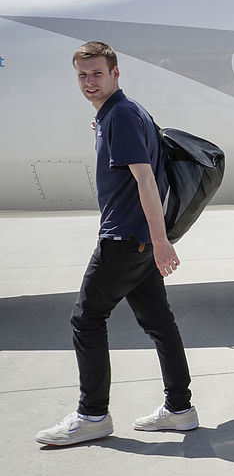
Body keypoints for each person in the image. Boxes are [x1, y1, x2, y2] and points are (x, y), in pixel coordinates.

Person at [36, 41, 197, 446]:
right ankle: (180, 409)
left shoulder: (121, 116)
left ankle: (92, 415)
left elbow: (145, 179)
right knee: (159, 322)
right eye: (82, 75)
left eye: (97, 74)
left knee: (86, 320)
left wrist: (162, 242)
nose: (89, 82)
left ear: (115, 73)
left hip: (125, 238)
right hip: (137, 239)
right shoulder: (122, 112)